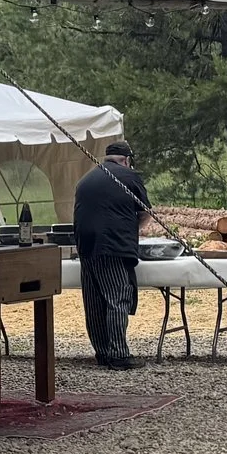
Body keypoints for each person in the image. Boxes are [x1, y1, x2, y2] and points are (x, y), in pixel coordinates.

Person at [72, 140, 152, 368]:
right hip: (113, 245)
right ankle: (119, 355)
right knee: (117, 298)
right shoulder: (129, 177)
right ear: (126, 160)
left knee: (94, 301)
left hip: (85, 245)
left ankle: (103, 353)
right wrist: (131, 229)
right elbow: (146, 212)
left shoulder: (85, 180)